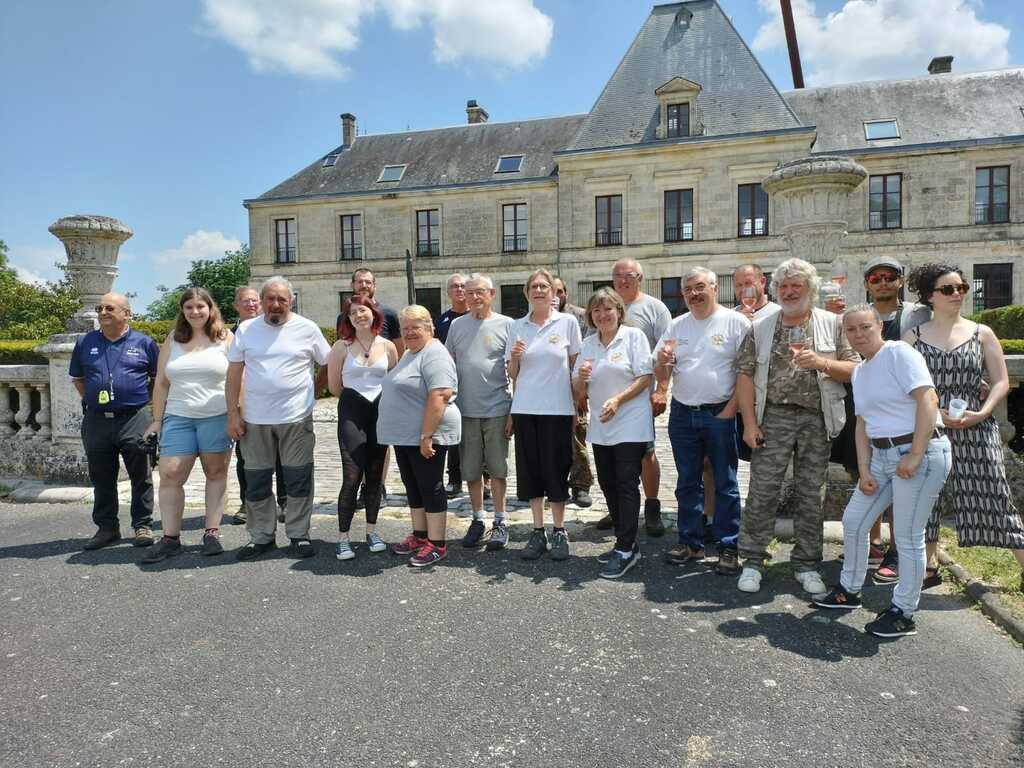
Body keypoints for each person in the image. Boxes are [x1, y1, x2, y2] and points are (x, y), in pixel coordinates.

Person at [813, 305, 951, 638]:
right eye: (851, 330)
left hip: (921, 450)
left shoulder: (898, 353)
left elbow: (928, 400)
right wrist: (864, 469)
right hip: (882, 456)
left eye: (865, 327)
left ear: (879, 327)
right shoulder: (860, 371)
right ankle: (849, 590)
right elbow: (862, 424)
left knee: (907, 536)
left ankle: (903, 612)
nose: (858, 334)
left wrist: (915, 454)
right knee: (854, 521)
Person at [735, 258, 860, 594]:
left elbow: (854, 369)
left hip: (816, 418)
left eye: (796, 286)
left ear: (811, 290)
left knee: (811, 493)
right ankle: (752, 560)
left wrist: (821, 362)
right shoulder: (760, 326)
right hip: (772, 416)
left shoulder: (833, 324)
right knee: (762, 491)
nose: (789, 292)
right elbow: (744, 375)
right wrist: (749, 423)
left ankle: (807, 563)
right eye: (784, 286)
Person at [905, 264, 1024, 589]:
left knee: (995, 493)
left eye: (961, 288)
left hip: (976, 426)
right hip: (930, 428)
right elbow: (902, 385)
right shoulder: (913, 338)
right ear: (930, 296)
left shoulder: (981, 332)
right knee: (926, 498)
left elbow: (1000, 382)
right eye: (948, 289)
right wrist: (934, 411)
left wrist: (982, 413)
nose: (957, 294)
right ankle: (928, 566)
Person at [226, 276, 331, 560]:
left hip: (296, 418)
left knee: (298, 479)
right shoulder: (246, 330)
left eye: (281, 299)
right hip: (254, 419)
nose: (275, 304)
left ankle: (299, 535)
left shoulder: (307, 328)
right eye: (270, 299)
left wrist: (315, 390)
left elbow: (328, 362)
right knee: (257, 480)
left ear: (291, 301)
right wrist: (233, 413)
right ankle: (261, 537)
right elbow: (233, 374)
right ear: (262, 301)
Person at [654, 268, 750, 574]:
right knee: (687, 482)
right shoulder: (676, 325)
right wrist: (662, 366)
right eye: (687, 290)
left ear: (714, 288)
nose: (693, 294)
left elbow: (747, 371)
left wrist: (731, 409)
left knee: (726, 482)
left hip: (720, 411)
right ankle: (690, 542)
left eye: (699, 287)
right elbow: (661, 367)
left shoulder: (736, 322)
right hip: (683, 412)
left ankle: (728, 546)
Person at [141, 287, 234, 562]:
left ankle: (211, 533)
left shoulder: (225, 337)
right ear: (182, 311)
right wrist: (157, 420)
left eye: (200, 306)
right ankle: (170, 538)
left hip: (216, 416)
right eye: (189, 307)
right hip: (178, 416)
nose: (195, 312)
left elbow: (238, 378)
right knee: (170, 473)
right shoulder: (173, 338)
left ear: (210, 308)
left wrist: (236, 413)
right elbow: (161, 382)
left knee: (215, 473)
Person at [572, 288, 653, 578]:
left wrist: (618, 400)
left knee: (626, 482)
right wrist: (581, 380)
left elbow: (645, 376)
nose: (602, 314)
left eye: (608, 309)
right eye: (596, 310)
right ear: (590, 316)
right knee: (607, 482)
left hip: (631, 420)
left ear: (619, 311)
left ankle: (625, 548)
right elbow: (577, 390)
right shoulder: (589, 344)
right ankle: (625, 541)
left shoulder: (633, 337)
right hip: (601, 423)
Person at [71, 292, 160, 550]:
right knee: (101, 477)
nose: (103, 313)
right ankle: (107, 528)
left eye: (109, 308)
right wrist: (95, 400)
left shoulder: (144, 343)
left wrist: (144, 404)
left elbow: (158, 380)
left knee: (141, 475)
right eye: (100, 308)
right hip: (97, 420)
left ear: (127, 314)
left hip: (135, 418)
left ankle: (142, 525)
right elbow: (78, 379)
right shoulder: (85, 342)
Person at [506, 268, 582, 560]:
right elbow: (513, 374)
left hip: (557, 409)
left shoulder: (567, 323)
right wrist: (515, 357)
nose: (539, 290)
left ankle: (559, 530)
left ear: (553, 293)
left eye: (544, 286)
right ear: (526, 293)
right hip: (526, 408)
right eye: (534, 287)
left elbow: (575, 367)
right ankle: (538, 531)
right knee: (531, 471)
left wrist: (577, 404)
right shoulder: (517, 326)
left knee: (556, 468)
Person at [377, 305, 461, 567]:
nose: (409, 332)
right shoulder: (411, 352)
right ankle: (420, 535)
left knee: (430, 486)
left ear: (429, 328)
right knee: (413, 485)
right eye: (405, 328)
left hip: (426, 434)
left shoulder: (434, 354)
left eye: (416, 327)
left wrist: (426, 436)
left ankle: (437, 543)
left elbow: (440, 394)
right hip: (406, 435)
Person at [326, 296, 399, 561]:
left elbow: (393, 382)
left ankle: (371, 531)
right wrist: (354, 401)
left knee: (375, 476)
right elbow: (334, 386)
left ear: (374, 314)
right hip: (352, 412)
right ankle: (343, 537)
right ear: (348, 319)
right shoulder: (341, 347)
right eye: (353, 312)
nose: (359, 315)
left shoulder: (388, 346)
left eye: (363, 310)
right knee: (352, 476)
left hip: (380, 414)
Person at [445, 274, 514, 551]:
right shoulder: (457, 326)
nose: (474, 297)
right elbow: (448, 363)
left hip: (497, 408)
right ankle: (477, 518)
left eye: (480, 292)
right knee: (471, 469)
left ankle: (500, 520)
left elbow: (515, 369)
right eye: (470, 292)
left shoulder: (507, 325)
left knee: (497, 469)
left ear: (492, 294)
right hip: (466, 409)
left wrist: (513, 412)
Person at [611, 257, 670, 537]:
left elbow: (667, 351)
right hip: (609, 397)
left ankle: (652, 508)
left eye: (629, 275)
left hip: (641, 396)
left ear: (640, 278)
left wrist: (661, 389)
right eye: (618, 276)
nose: (623, 280)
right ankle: (619, 508)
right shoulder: (606, 306)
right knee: (612, 454)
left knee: (646, 453)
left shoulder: (654, 308)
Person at [229, 286, 286, 526]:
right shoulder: (228, 335)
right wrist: (234, 407)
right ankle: (248, 502)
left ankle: (284, 502)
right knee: (246, 458)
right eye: (246, 301)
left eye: (255, 300)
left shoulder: (273, 329)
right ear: (236, 305)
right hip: (245, 405)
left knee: (282, 455)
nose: (251, 305)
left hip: (276, 405)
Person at [554, 276, 594, 509]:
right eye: (552, 291)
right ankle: (556, 484)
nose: (555, 296)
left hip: (576, 388)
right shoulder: (539, 318)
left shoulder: (581, 317)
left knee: (577, 437)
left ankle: (581, 485)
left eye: (559, 291)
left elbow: (589, 355)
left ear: (566, 293)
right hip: (549, 390)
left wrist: (582, 390)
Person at [436, 273, 469, 499]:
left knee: (478, 432)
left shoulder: (477, 316)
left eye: (463, 286)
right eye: (455, 286)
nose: (459, 290)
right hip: (450, 383)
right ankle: (454, 479)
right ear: (448, 292)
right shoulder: (442, 321)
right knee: (452, 432)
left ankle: (485, 479)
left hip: (475, 383)